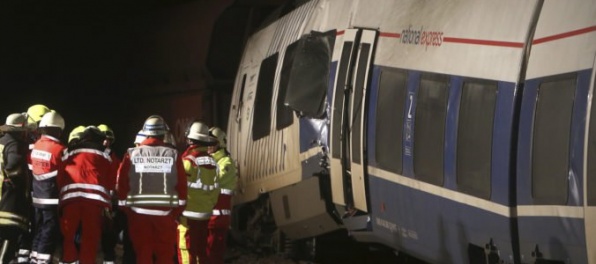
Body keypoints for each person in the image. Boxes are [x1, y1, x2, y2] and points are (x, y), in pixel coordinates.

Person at [117, 115, 187, 263]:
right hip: (165, 214)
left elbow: (122, 185)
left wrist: (129, 210)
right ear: (163, 134)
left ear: (146, 133)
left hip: (138, 214)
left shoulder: (132, 154)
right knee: (165, 254)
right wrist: (174, 212)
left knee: (143, 253)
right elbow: (181, 187)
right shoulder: (173, 154)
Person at [58, 126, 113, 264]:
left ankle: (69, 261)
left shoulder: (68, 151)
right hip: (94, 200)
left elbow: (60, 175)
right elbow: (112, 178)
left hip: (70, 199)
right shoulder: (107, 153)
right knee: (90, 237)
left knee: (68, 235)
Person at [177, 121, 218, 264]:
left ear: (190, 140)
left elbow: (179, 187)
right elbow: (215, 189)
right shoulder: (213, 162)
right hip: (205, 214)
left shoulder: (188, 161)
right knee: (201, 252)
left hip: (188, 215)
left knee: (187, 250)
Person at [29, 111, 66, 264]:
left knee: (38, 228)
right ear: (58, 129)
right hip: (51, 197)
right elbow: (64, 175)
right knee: (49, 230)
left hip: (36, 196)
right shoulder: (60, 149)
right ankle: (43, 260)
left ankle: (34, 258)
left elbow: (31, 168)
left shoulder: (35, 146)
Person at [0, 113, 31, 263]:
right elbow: (12, 166)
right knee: (9, 237)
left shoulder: (1, 142)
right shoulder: (14, 144)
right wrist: (14, 178)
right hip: (8, 201)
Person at [207, 127, 238, 264]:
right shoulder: (206, 161)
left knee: (214, 256)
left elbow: (213, 180)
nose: (208, 146)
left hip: (218, 219)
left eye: (211, 143)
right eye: (205, 143)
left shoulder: (227, 163)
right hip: (207, 219)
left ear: (220, 144)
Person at [97, 124, 121, 264]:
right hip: (93, 202)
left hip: (108, 203)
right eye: (103, 139)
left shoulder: (114, 157)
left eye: (109, 140)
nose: (106, 142)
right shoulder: (92, 155)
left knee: (109, 237)